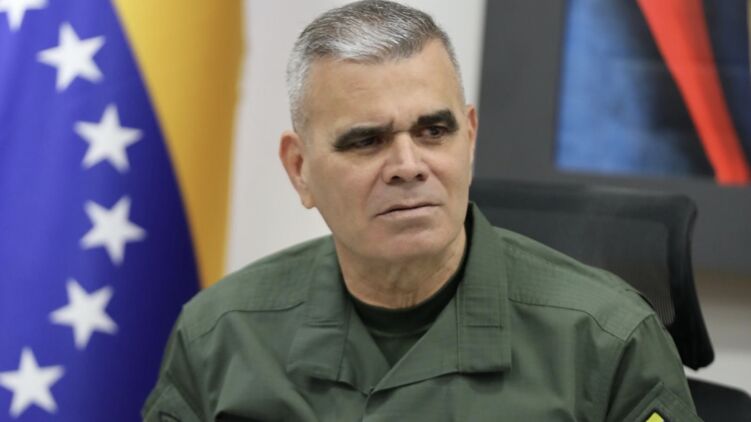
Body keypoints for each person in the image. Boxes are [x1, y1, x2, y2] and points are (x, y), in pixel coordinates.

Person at [143, 1, 702, 420]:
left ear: (470, 138)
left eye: (434, 131)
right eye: (366, 141)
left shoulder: (606, 340)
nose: (408, 165)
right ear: (300, 169)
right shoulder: (221, 336)